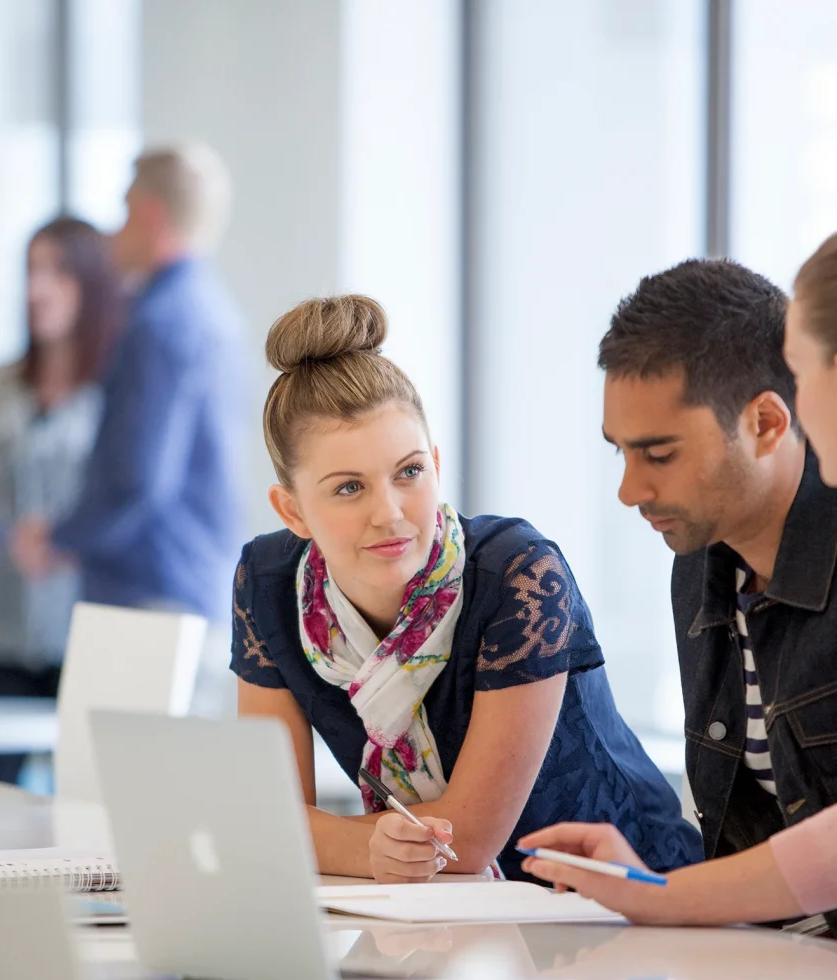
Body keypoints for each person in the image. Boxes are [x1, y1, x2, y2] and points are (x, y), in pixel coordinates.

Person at [230, 294, 701, 883]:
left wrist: (313, 839)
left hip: (622, 916)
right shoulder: (269, 584)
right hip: (441, 919)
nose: (391, 513)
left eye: (408, 473)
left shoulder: (520, 577)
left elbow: (467, 842)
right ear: (292, 510)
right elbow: (265, 819)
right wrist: (303, 836)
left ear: (435, 462)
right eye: (349, 488)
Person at [523, 242, 837, 928]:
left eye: (659, 454)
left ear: (765, 423)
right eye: (620, 450)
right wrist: (651, 878)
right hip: (773, 964)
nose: (631, 490)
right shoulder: (700, 558)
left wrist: (664, 897)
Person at [10, 144, 247, 645]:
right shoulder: (217, 314)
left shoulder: (157, 324)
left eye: (124, 210)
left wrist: (57, 537)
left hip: (145, 599)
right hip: (196, 584)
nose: (115, 232)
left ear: (149, 215)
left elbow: (137, 477)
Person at [0, 217, 115, 785]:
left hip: (86, 635)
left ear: (90, 284)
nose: (36, 288)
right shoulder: (1, 383)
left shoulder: (115, 388)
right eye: (31, 271)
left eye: (56, 272)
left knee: (86, 811)